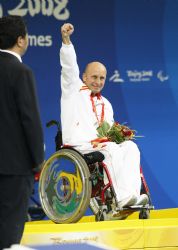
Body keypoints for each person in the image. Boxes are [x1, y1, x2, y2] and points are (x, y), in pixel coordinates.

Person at [59, 23, 148, 215]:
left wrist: (119, 135)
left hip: (101, 144)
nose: (98, 82)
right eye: (94, 77)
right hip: (78, 145)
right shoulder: (72, 90)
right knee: (110, 149)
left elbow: (107, 131)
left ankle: (133, 196)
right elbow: (68, 67)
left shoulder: (106, 103)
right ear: (84, 76)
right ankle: (121, 197)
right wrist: (66, 42)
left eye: (102, 78)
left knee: (130, 147)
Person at [0, 16, 44, 249]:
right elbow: (30, 121)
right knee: (9, 236)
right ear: (20, 40)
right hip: (14, 169)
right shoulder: (20, 72)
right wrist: (38, 161)